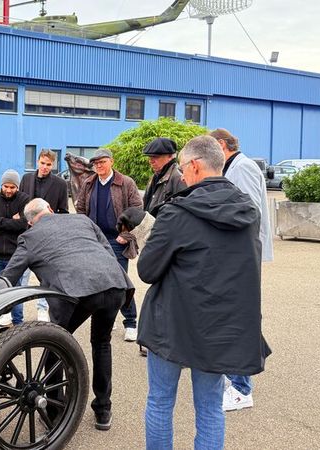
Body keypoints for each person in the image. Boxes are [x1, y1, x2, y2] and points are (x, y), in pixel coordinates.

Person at [138, 135, 271, 449]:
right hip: (220, 328)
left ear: (195, 166)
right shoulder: (248, 213)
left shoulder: (176, 213)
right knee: (210, 407)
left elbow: (147, 270)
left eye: (183, 169)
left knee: (160, 401)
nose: (182, 177)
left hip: (171, 324)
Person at [0, 198, 135, 431]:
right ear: (50, 209)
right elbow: (107, 252)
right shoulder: (82, 220)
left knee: (56, 345)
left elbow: (9, 276)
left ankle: (54, 411)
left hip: (76, 291)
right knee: (102, 343)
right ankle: (103, 410)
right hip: (114, 284)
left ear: (30, 223)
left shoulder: (29, 237)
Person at [210, 128, 274, 412]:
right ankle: (235, 376)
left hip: (242, 257)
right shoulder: (234, 166)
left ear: (222, 145)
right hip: (235, 256)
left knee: (238, 318)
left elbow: (247, 214)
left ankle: (241, 388)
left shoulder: (243, 167)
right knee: (230, 316)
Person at [75, 148, 142, 342]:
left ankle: (131, 323)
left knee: (120, 283)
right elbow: (80, 210)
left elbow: (137, 210)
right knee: (99, 283)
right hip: (95, 241)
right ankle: (106, 322)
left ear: (111, 161)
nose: (98, 165)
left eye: (102, 162)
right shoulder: (88, 183)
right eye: (95, 163)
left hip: (117, 241)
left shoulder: (126, 183)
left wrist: (126, 234)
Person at [19, 149, 68, 322]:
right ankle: (15, 312)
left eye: (49, 164)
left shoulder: (61, 184)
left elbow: (63, 211)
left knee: (46, 273)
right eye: (42, 163)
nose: (45, 167)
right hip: (28, 232)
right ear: (37, 161)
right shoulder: (25, 179)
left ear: (53, 165)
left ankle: (42, 308)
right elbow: (21, 204)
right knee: (22, 272)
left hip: (48, 235)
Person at [0, 169, 30, 326]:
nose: (8, 190)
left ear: (17, 187)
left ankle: (19, 325)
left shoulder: (25, 200)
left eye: (12, 187)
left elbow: (24, 224)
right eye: (6, 186)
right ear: (1, 185)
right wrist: (11, 221)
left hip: (15, 256)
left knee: (16, 292)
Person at [142, 137, 186, 217]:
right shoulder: (156, 176)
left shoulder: (179, 177)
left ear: (170, 156)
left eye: (155, 157)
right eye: (150, 157)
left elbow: (182, 211)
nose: (151, 161)